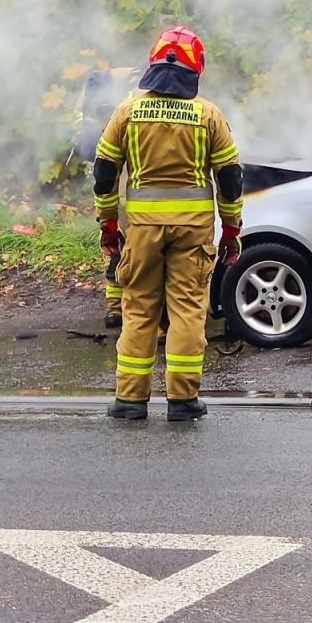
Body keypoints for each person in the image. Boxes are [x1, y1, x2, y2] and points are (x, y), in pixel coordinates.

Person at [93, 26, 243, 421]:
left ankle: (129, 401)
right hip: (193, 234)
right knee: (188, 311)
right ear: (197, 67)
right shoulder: (207, 115)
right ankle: (182, 401)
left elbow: (104, 173)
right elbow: (230, 179)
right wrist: (231, 230)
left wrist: (109, 225)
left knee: (139, 307)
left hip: (142, 231)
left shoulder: (128, 111)